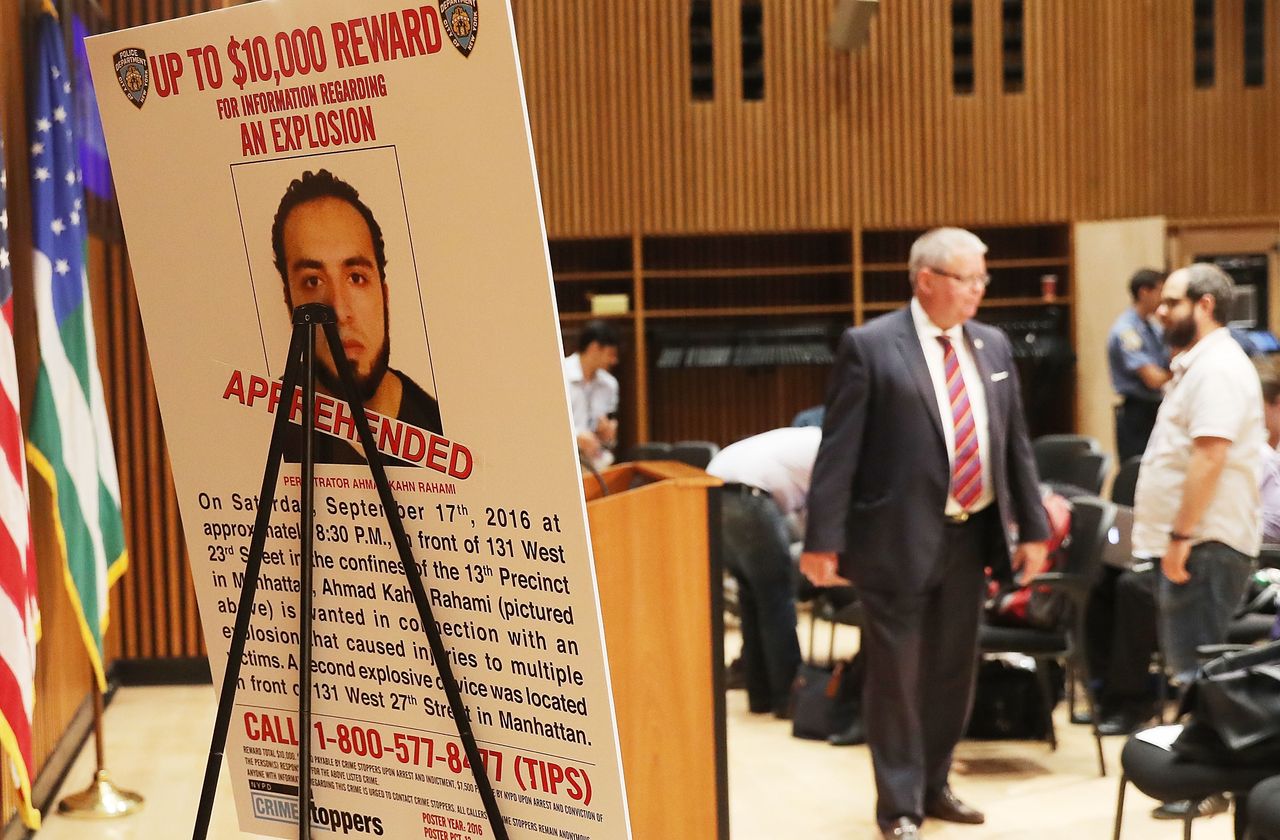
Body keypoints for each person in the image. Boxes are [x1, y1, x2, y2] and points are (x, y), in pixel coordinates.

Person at [800, 227, 1049, 840]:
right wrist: (821, 539)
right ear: (927, 280)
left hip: (972, 539)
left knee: (951, 673)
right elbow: (839, 452)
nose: (979, 290)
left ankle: (937, 783)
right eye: (969, 278)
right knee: (896, 680)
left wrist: (1034, 530)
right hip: (894, 539)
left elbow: (1014, 444)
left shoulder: (991, 346)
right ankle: (899, 805)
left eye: (982, 278)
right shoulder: (871, 345)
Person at [1133, 263, 1263, 688]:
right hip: (1195, 545)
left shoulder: (1218, 368)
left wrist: (1179, 538)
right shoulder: (1197, 365)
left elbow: (1209, 459)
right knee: (1190, 677)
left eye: (1172, 302)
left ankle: (1202, 756)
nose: (1161, 311)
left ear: (1204, 305)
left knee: (1197, 681)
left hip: (1203, 546)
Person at [271, 169, 442, 465]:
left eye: (356, 277)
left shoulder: (440, 430)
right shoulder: (261, 428)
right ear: (289, 302)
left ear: (384, 294)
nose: (338, 310)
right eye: (313, 281)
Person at [706, 426, 820, 717]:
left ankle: (760, 697)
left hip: (712, 492)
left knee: (752, 598)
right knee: (776, 599)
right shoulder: (831, 446)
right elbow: (824, 515)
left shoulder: (809, 439)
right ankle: (787, 699)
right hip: (749, 496)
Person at [1107, 268, 1171, 461]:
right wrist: (1180, 371)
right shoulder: (1127, 331)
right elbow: (1153, 379)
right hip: (1137, 415)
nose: (1163, 298)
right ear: (1144, 292)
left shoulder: (1152, 327)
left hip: (1154, 410)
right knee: (1135, 476)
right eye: (1160, 291)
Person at [563, 320, 620, 470]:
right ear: (594, 348)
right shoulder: (560, 374)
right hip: (562, 462)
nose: (614, 360)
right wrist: (576, 438)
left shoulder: (610, 384)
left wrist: (607, 434)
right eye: (610, 354)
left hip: (596, 464)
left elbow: (608, 441)